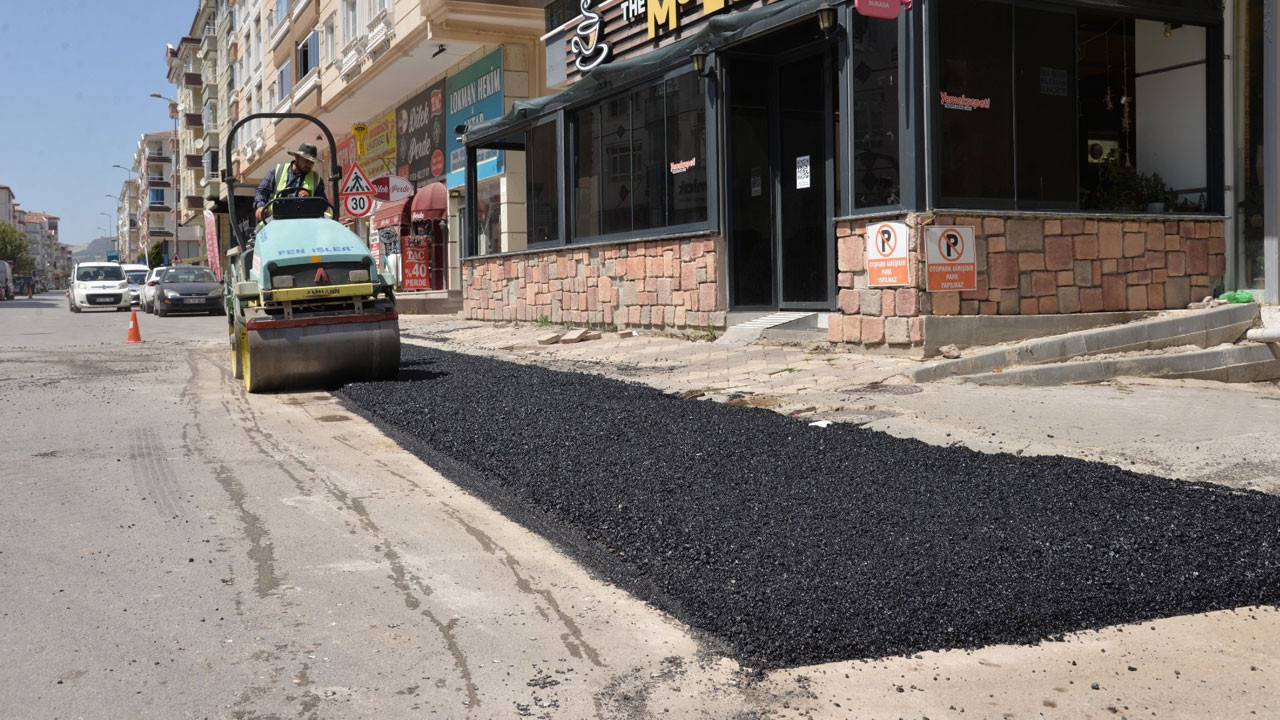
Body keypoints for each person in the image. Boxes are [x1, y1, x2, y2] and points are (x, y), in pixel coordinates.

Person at [254, 143, 328, 223]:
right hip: (276, 219)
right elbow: (261, 191)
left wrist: (309, 199)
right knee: (261, 230)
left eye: (312, 162)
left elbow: (323, 204)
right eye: (306, 160)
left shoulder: (316, 178)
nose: (309, 164)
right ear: (297, 157)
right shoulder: (277, 171)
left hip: (305, 221)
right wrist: (260, 206)